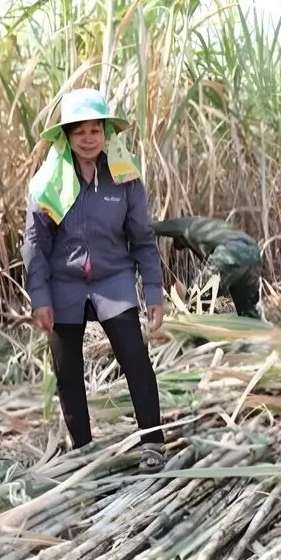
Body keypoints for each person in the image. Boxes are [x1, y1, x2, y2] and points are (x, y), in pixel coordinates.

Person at [21, 88, 168, 471]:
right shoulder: (48, 183)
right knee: (67, 373)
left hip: (113, 278)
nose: (88, 138)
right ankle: (83, 451)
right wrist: (40, 297)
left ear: (106, 134)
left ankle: (153, 443)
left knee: (136, 360)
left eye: (95, 130)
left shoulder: (125, 176)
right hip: (63, 283)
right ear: (66, 137)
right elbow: (35, 244)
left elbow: (143, 237)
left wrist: (153, 289)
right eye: (79, 131)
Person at [153, 216, 263, 318]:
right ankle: (257, 331)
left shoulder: (185, 224)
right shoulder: (207, 230)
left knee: (198, 301)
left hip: (229, 253)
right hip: (253, 254)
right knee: (247, 309)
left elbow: (156, 227)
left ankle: (190, 330)